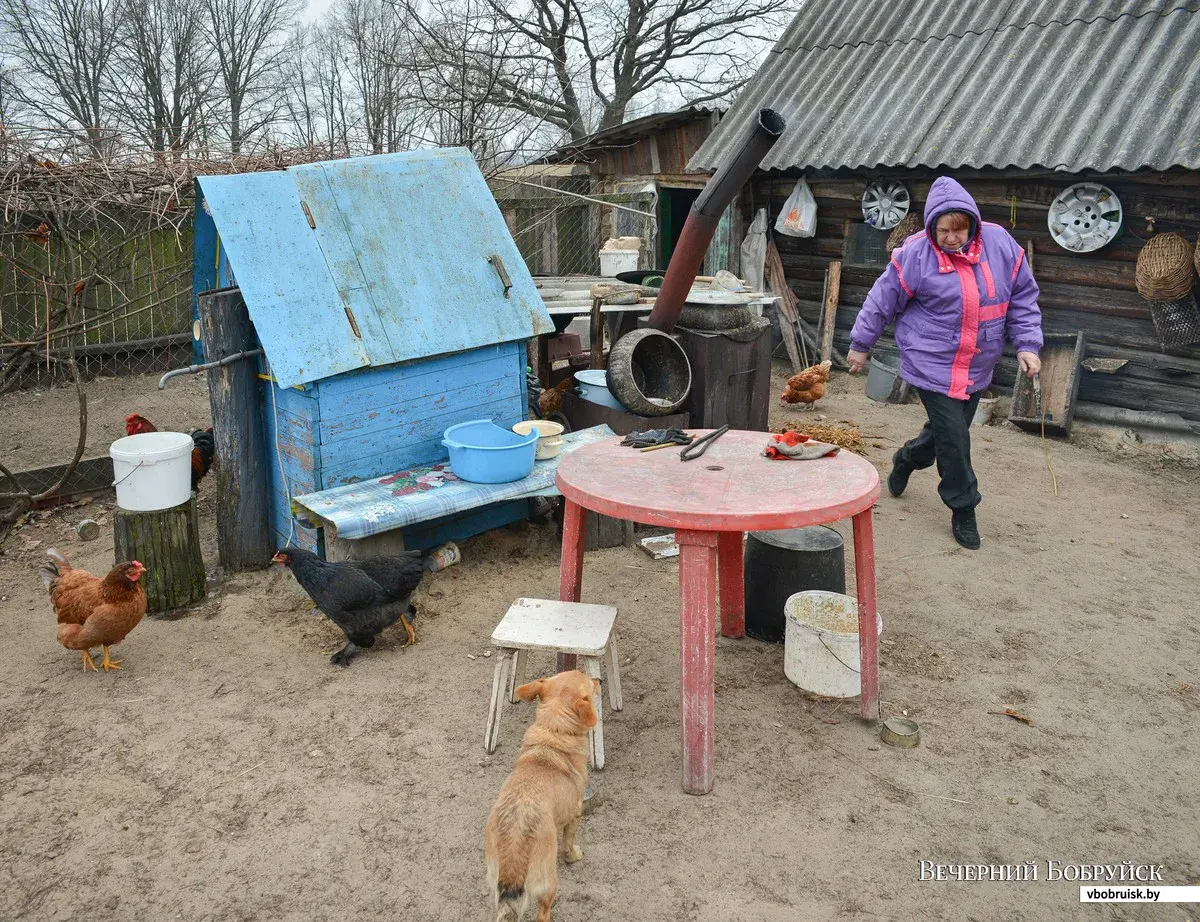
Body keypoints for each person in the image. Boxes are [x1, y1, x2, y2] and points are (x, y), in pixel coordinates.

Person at [847, 177, 1043, 550]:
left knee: (942, 436)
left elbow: (1023, 299)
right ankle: (963, 507)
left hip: (976, 364)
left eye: (960, 229)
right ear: (931, 226)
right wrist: (861, 344)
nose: (953, 238)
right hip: (930, 361)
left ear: (973, 223)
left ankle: (907, 458)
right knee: (955, 439)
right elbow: (881, 301)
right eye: (944, 230)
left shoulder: (1001, 245)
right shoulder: (914, 255)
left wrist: (1027, 345)